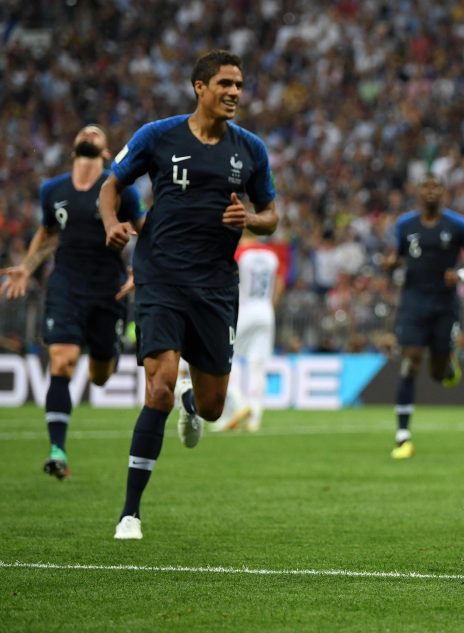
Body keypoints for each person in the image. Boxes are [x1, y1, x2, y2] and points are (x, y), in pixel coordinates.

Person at [99, 50, 278, 539]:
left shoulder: (250, 149)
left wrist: (251, 221)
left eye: (239, 84)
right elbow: (110, 185)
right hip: (160, 276)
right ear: (199, 87)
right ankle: (130, 513)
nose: (235, 92)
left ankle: (194, 406)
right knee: (157, 386)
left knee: (216, 404)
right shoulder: (158, 136)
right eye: (224, 83)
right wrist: (113, 224)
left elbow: (271, 214)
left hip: (216, 286)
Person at [0, 125, 144, 480]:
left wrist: (140, 270)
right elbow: (48, 234)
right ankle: (57, 450)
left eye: (98, 133)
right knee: (61, 362)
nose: (91, 133)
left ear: (106, 153)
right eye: (86, 131)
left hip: (108, 290)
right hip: (65, 285)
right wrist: (28, 268)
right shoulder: (53, 190)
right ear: (74, 148)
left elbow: (146, 230)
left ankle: (102, 359)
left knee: (99, 375)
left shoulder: (120, 188)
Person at [384, 174, 464, 459]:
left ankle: (448, 363)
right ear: (418, 192)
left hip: (444, 305)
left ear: (443, 192)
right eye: (425, 187)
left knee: (437, 373)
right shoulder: (405, 225)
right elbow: (398, 256)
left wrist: (462, 274)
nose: (430, 192)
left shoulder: (458, 225)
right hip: (413, 302)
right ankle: (402, 435)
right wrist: (391, 263)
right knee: (410, 360)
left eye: (436, 187)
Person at [212, 231, 284, 432]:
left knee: (226, 358)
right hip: (265, 310)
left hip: (243, 310)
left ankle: (238, 402)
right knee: (257, 365)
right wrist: (270, 306)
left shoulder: (239, 253)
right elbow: (279, 283)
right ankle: (254, 417)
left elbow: (226, 282)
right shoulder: (272, 255)